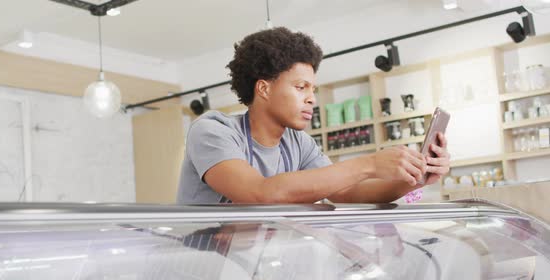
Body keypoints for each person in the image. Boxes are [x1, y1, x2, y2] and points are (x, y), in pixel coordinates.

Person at [176, 27, 450, 204]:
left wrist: (413, 178)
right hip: (191, 278)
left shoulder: (298, 143)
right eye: (300, 87)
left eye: (312, 89)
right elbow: (259, 192)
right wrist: (370, 164)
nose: (311, 98)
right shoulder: (212, 131)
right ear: (264, 88)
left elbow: (345, 192)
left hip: (243, 273)